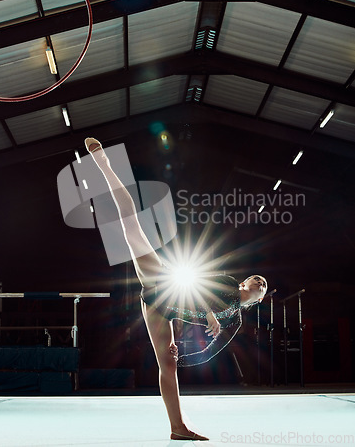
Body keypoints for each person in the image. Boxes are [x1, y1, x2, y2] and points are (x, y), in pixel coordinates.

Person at [85, 137, 268, 441]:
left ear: (257, 300)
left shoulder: (234, 321)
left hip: (158, 307)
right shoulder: (224, 282)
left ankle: (177, 428)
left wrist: (181, 356)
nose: (259, 282)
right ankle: (103, 163)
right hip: (164, 281)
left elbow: (210, 351)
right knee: (132, 225)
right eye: (256, 278)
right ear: (244, 282)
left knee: (167, 366)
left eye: (263, 286)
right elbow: (193, 282)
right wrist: (209, 314)